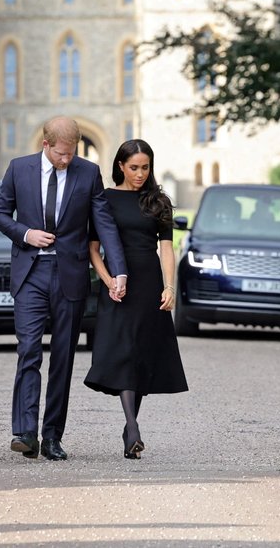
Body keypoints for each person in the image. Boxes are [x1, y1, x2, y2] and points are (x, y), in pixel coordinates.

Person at [0, 116, 128, 461]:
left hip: (70, 274)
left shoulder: (88, 173)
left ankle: (52, 436)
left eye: (72, 154)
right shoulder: (19, 169)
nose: (67, 160)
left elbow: (104, 223)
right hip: (31, 271)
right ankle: (25, 432)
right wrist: (26, 233)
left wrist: (119, 269)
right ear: (46, 145)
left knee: (64, 358)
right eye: (61, 154)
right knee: (29, 351)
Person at [84, 139, 188, 459]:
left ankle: (131, 427)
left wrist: (169, 288)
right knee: (124, 351)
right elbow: (93, 249)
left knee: (141, 353)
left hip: (149, 283)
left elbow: (167, 248)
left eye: (145, 167)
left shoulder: (158, 202)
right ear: (120, 166)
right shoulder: (105, 199)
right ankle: (133, 428)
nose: (140, 173)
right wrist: (108, 281)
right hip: (117, 285)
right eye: (134, 167)